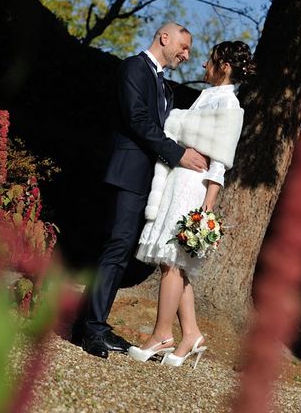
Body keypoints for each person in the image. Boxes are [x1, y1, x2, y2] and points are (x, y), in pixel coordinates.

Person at [77, 23, 210, 359]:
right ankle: (90, 328)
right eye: (183, 45)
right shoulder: (134, 68)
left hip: (147, 182)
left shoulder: (165, 86)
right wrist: (178, 154)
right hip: (126, 174)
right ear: (163, 38)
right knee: (116, 248)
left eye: (189, 50)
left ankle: (93, 322)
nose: (186, 54)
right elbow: (137, 119)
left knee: (120, 253)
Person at [127, 40, 254, 368]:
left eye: (210, 61)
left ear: (224, 67)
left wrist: (206, 210)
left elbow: (219, 161)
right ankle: (192, 334)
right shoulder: (210, 96)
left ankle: (161, 334)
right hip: (178, 183)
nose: (203, 66)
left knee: (171, 260)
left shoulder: (228, 104)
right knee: (175, 264)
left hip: (193, 191)